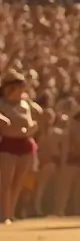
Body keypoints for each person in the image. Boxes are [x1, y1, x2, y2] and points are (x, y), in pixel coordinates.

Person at [0, 72, 39, 224]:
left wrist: (31, 128)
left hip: (25, 144)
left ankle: (11, 213)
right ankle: (4, 214)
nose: (22, 89)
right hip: (8, 143)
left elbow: (30, 122)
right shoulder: (2, 103)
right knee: (6, 182)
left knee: (18, 182)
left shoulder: (25, 103)